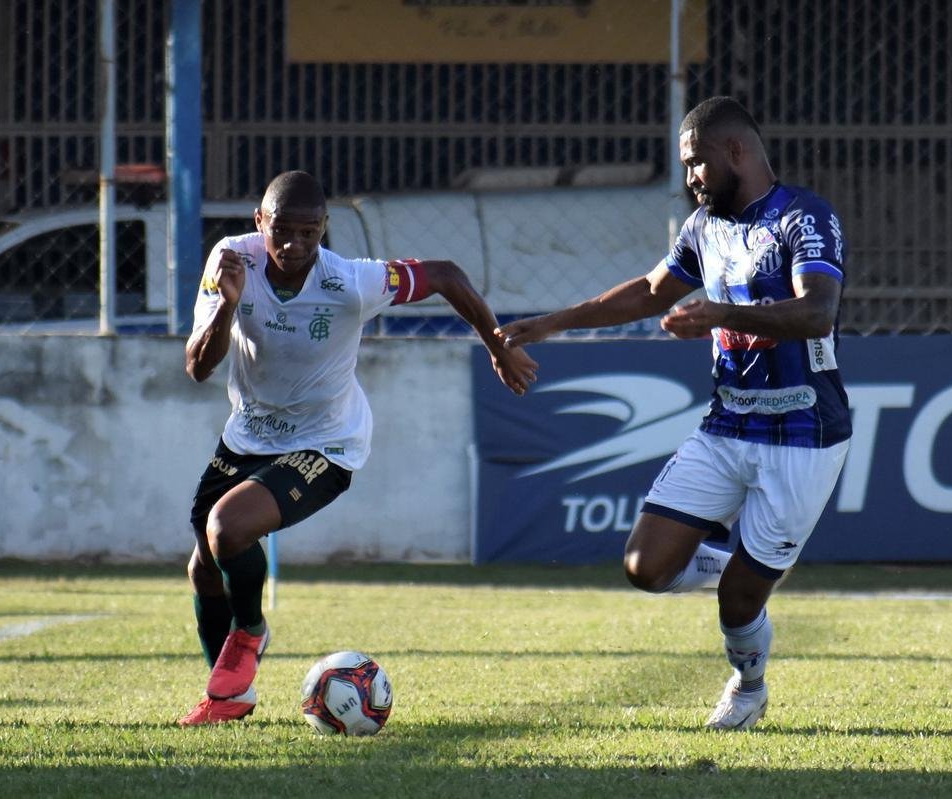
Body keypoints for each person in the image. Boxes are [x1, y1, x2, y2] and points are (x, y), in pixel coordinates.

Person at [499, 96, 852, 730]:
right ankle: (737, 569)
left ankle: (749, 687)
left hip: (803, 434)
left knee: (740, 604)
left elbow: (817, 313)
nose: (689, 177)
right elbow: (647, 291)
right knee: (646, 568)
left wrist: (721, 314)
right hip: (727, 425)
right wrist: (552, 323)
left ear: (734, 152)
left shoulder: (805, 217)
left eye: (695, 163)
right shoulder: (703, 226)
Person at [177, 170, 538, 725]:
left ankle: (249, 632)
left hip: (327, 443)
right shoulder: (231, 260)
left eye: (309, 233)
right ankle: (230, 698)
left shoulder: (350, 281)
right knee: (204, 565)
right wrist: (228, 305)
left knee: (227, 529)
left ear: (325, 228)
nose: (295, 246)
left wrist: (498, 344)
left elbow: (444, 274)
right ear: (258, 222)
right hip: (249, 432)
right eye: (281, 232)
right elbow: (199, 367)